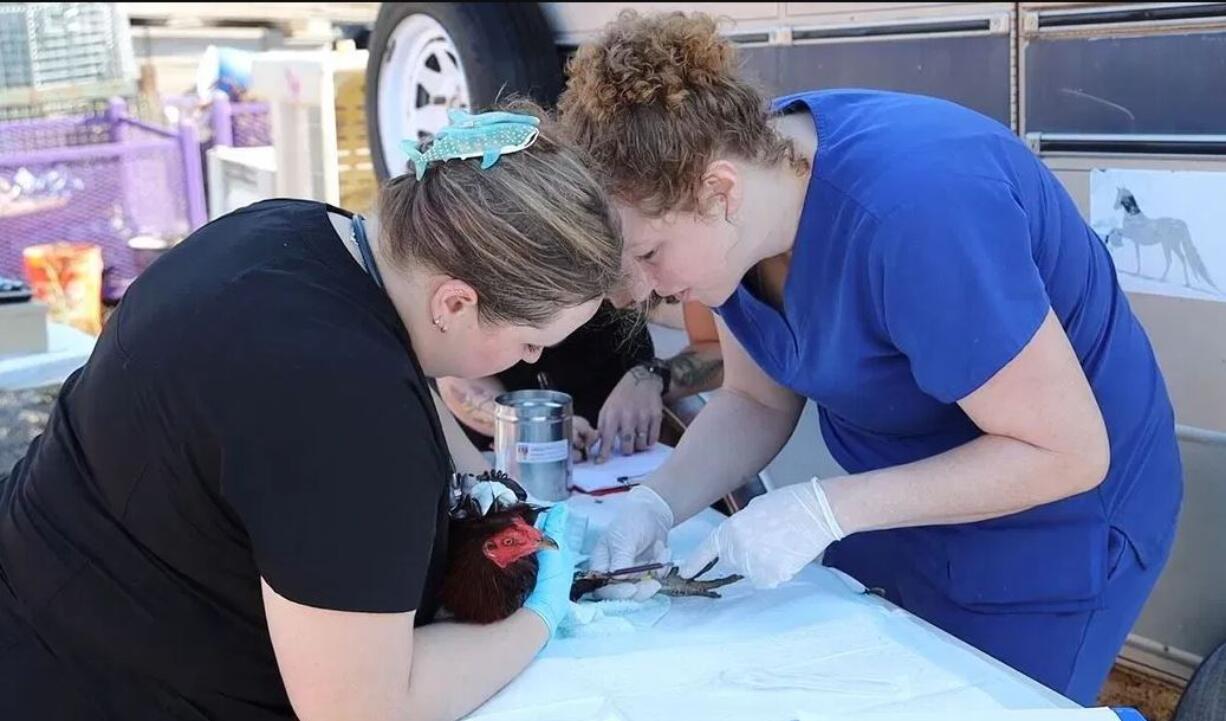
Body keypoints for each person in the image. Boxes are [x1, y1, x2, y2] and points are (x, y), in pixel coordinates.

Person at [559, 11, 1182, 705]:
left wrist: (825, 508)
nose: (645, 291)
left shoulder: (919, 211)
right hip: (902, 501)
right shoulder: (730, 214)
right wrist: (657, 503)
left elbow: (1065, 451)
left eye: (648, 256)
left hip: (1058, 520)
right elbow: (755, 400)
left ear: (722, 191)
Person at [0, 105, 617, 721]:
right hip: (84, 685)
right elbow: (361, 709)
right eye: (531, 341)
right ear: (454, 302)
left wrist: (480, 477)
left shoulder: (299, 229)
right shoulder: (348, 406)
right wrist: (539, 618)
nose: (530, 357)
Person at [437, 300, 723, 463]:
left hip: (625, 460)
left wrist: (653, 378)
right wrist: (530, 426)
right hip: (511, 461)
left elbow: (721, 351)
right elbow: (453, 374)